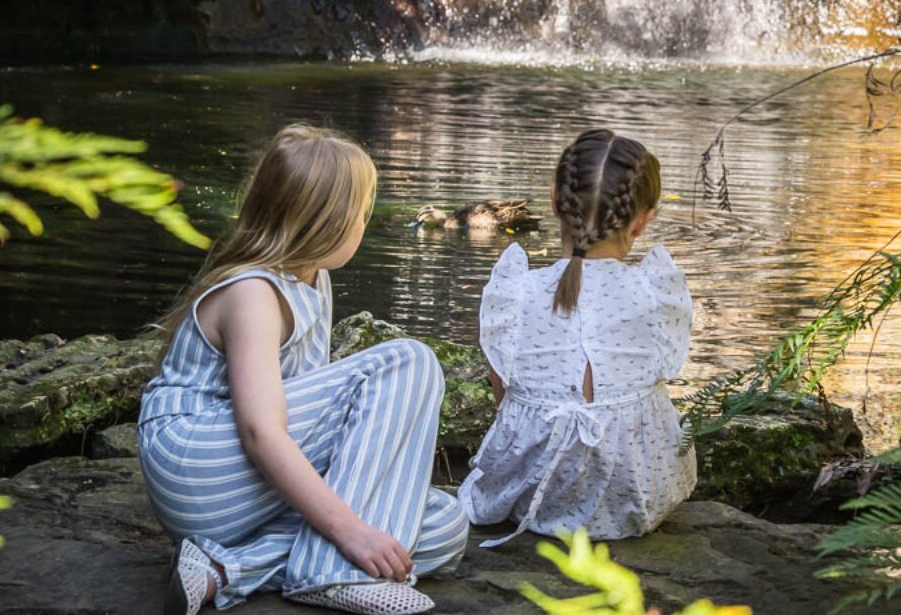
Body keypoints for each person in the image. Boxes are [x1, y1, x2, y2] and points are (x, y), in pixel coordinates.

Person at [138, 125, 464, 615]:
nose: (364, 225)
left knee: (441, 523)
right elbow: (261, 433)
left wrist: (362, 526)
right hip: (197, 465)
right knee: (408, 361)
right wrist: (350, 530)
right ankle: (332, 572)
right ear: (325, 223)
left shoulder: (313, 280)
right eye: (361, 214)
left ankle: (227, 567)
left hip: (240, 490)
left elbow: (317, 429)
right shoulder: (253, 294)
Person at [458, 129, 697, 547]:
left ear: (554, 200)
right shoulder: (656, 291)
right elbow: (656, 377)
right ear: (643, 219)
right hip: (637, 495)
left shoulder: (516, 288)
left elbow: (505, 398)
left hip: (532, 492)